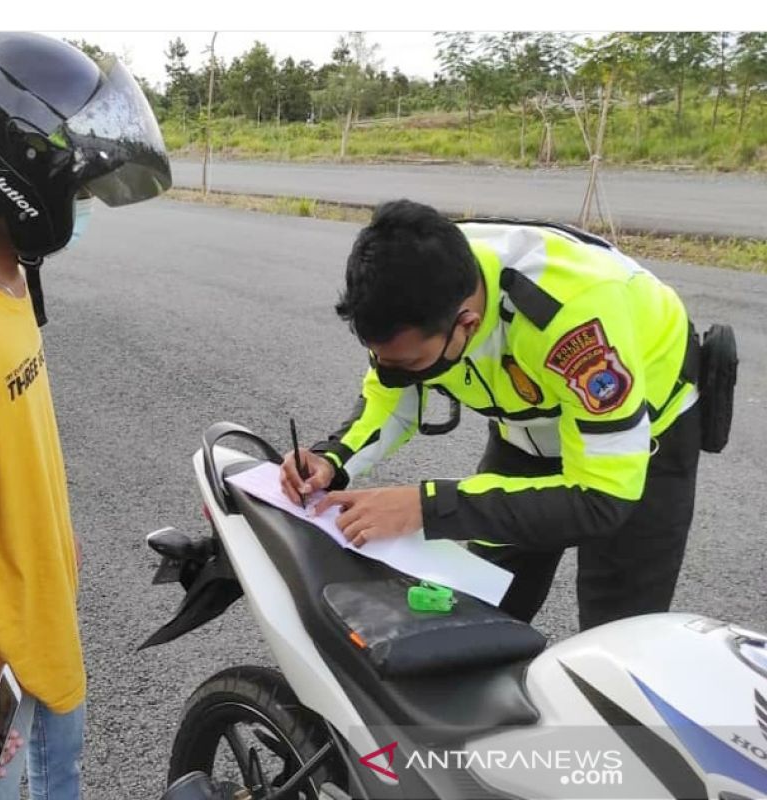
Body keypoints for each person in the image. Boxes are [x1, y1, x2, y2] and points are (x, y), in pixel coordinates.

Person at [0, 32, 171, 800]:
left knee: (63, 774)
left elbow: (22, 440)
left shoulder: (12, 272)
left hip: (45, 586)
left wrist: (59, 535)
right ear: (14, 179)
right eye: (72, 189)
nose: (79, 205)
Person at [281, 199, 702, 631]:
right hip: (530, 426)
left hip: (640, 440)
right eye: (379, 357)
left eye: (409, 364)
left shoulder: (573, 323)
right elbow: (391, 396)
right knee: (481, 605)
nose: (393, 373)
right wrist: (331, 460)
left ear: (467, 322)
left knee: (619, 634)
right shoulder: (422, 281)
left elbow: (601, 500)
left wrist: (425, 508)